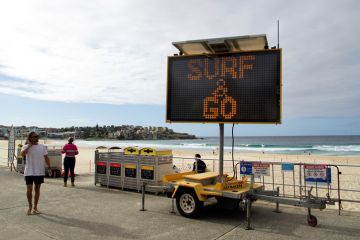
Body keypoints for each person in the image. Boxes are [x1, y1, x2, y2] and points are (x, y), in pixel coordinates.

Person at [21, 132, 52, 215]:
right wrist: (29, 145)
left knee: (37, 189)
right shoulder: (25, 146)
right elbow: (22, 154)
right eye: (32, 137)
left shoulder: (42, 147)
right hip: (29, 172)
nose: (34, 138)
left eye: (36, 137)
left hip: (39, 171)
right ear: (29, 138)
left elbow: (46, 157)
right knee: (29, 189)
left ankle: (35, 207)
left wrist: (49, 168)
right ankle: (30, 207)